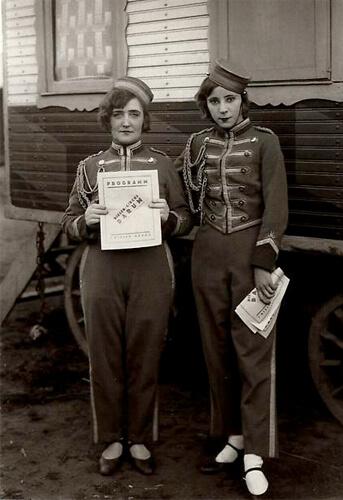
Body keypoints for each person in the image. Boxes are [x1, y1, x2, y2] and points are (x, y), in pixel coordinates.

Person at [61, 77, 192, 477]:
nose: (126, 121)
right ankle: (111, 440)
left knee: (145, 352)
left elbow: (187, 217)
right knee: (104, 356)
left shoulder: (162, 164)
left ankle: (138, 439)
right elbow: (67, 222)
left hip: (151, 266)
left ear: (144, 119)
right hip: (101, 266)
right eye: (118, 113)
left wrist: (170, 218)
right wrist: (85, 219)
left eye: (134, 114)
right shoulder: (89, 167)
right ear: (108, 119)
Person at [175, 59, 288, 496]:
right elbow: (185, 199)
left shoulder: (266, 143)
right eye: (214, 101)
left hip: (248, 257)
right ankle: (233, 437)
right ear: (206, 105)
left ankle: (256, 454)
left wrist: (263, 260)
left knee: (253, 354)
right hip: (206, 255)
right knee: (216, 351)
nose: (222, 108)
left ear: (243, 101)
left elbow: (276, 208)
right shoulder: (196, 144)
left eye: (229, 100)